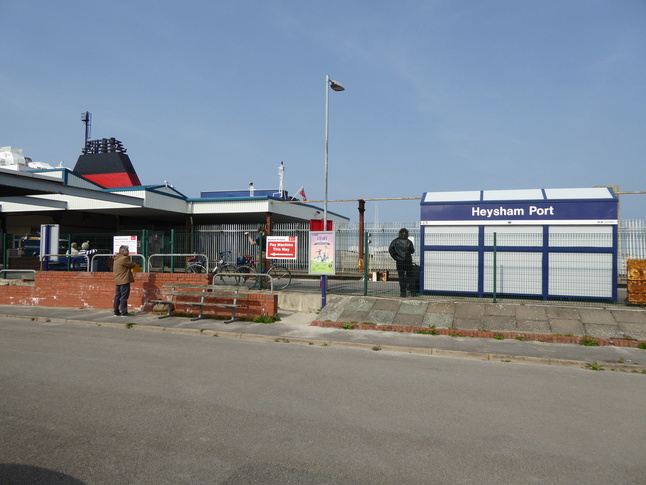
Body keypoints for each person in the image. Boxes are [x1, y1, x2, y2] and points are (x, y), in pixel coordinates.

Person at [389, 228, 416, 297]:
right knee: (410, 277)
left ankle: (403, 292)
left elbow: (390, 250)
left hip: (399, 262)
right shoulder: (409, 242)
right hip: (408, 261)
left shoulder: (395, 241)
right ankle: (413, 292)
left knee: (401, 277)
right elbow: (412, 251)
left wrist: (395, 257)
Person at [113, 245, 137, 317]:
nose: (128, 252)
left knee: (118, 296)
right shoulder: (124, 259)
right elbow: (132, 265)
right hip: (124, 279)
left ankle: (116, 311)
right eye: (127, 250)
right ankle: (124, 312)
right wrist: (134, 263)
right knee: (124, 297)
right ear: (123, 251)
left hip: (118, 280)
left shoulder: (116, 258)